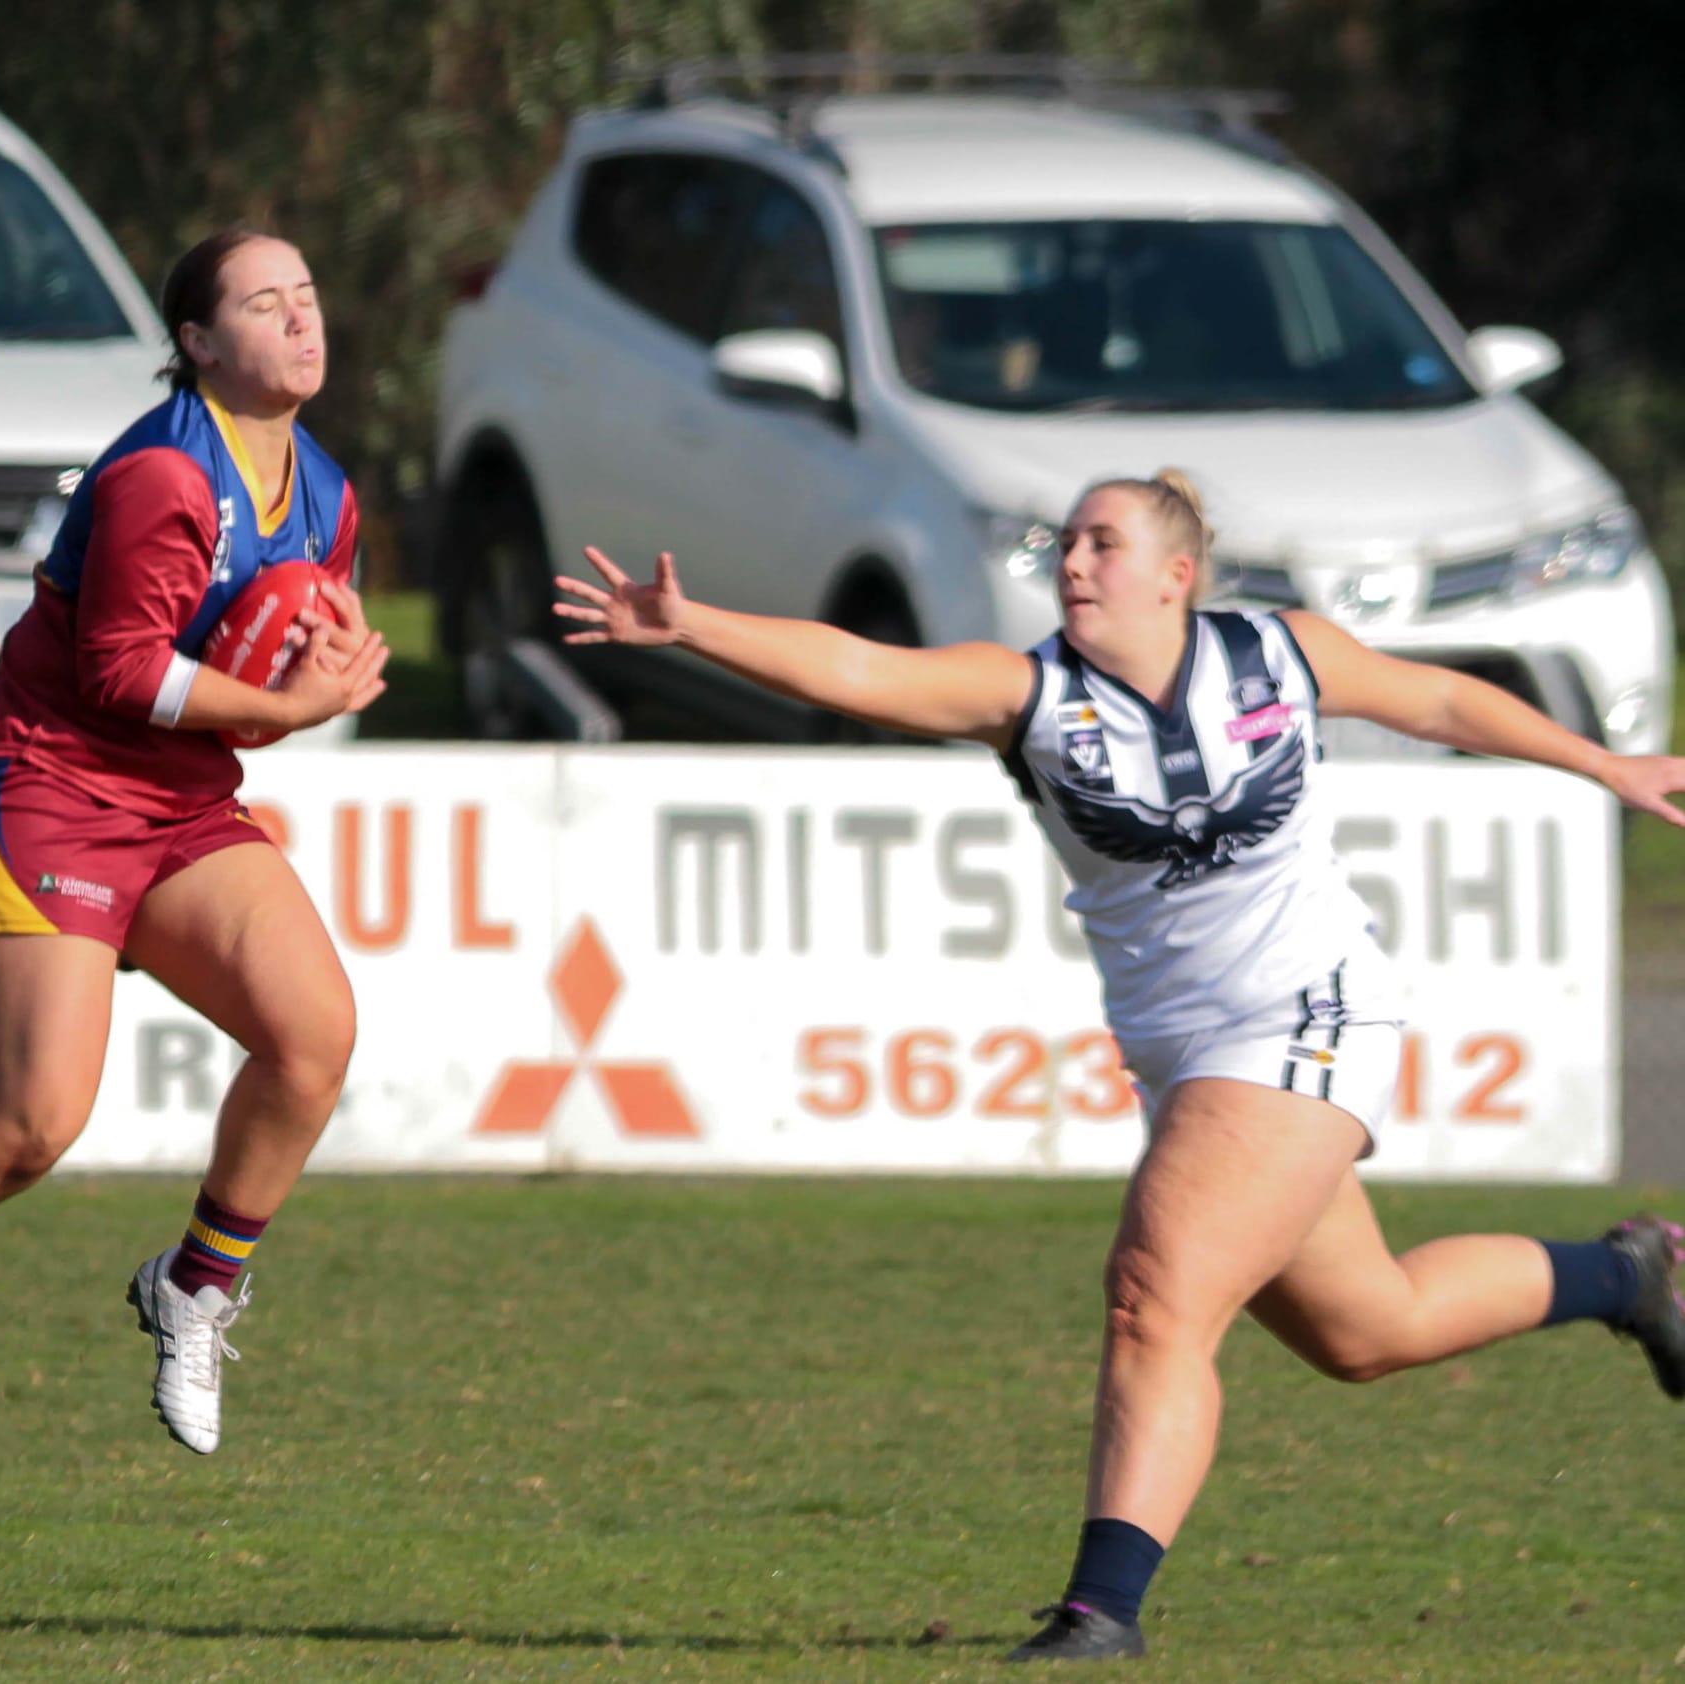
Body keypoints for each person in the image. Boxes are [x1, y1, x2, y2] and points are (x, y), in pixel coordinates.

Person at [555, 470, 1685, 1664]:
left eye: (1102, 544)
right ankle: (1632, 1276)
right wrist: (695, 626)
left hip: (1307, 1009)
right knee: (1368, 1324)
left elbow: (1440, 702)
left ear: (1174, 575)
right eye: (1067, 546)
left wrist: (1601, 764)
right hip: (1185, 1054)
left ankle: (1101, 1612)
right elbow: (861, 670)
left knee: (1156, 1294)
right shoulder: (1031, 691)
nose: (1073, 565)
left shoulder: (1274, 652)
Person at [0, 229, 388, 1460]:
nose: (301, 319)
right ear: (199, 345)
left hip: (180, 802)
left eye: (308, 296)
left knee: (313, 1039)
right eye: (266, 304)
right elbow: (116, 671)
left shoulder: (326, 488)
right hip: (43, 786)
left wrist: (326, 670)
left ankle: (196, 1285)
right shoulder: (166, 475)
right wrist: (282, 708)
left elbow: (285, 644)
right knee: (37, 1122)